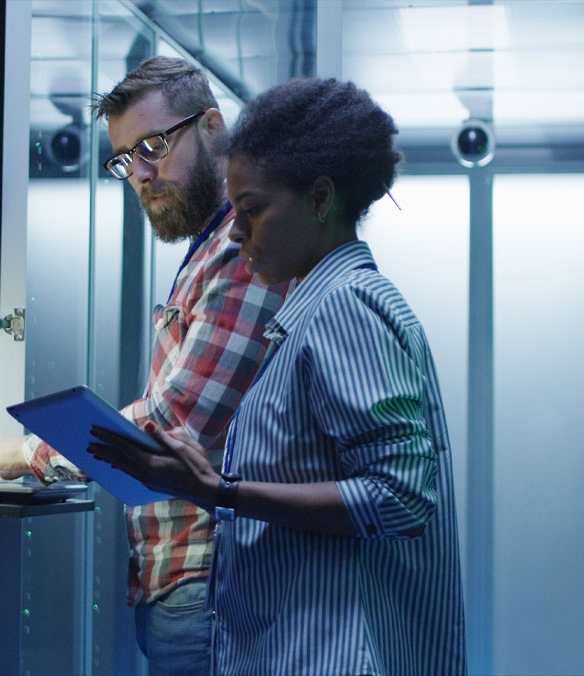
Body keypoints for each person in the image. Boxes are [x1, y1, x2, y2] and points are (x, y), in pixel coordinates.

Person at [89, 77, 467, 675]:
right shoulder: (316, 308)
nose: (235, 234)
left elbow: (398, 498)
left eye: (252, 210)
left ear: (320, 199)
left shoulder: (343, 304)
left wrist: (221, 492)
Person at [0, 57, 288, 672]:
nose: (141, 174)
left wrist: (23, 452)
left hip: (212, 582)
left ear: (213, 127)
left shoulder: (241, 248)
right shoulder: (211, 247)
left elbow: (173, 424)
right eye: (126, 158)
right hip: (187, 583)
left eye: (155, 145)